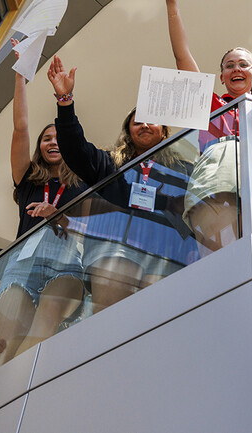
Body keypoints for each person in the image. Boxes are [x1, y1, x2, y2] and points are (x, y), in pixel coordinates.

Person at [49, 56, 197, 311]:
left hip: (166, 252)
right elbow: (75, 150)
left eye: (151, 120)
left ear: (164, 130)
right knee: (110, 319)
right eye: (137, 122)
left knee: (159, 321)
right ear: (128, 132)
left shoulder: (186, 169)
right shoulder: (111, 164)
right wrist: (65, 102)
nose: (144, 125)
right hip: (115, 247)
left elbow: (198, 211)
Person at [149, 0, 252, 251]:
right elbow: (181, 54)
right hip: (216, 185)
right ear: (221, 77)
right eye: (229, 66)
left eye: (243, 64)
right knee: (222, 253)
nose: (236, 69)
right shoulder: (212, 105)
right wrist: (173, 5)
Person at [0, 65, 89, 368]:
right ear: (40, 147)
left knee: (40, 333)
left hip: (66, 260)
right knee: (3, 349)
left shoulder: (84, 182)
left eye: (59, 137)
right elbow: (20, 128)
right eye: (47, 138)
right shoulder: (29, 179)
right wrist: (20, 77)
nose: (53, 142)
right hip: (22, 263)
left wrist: (57, 216)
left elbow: (90, 228)